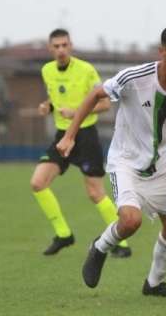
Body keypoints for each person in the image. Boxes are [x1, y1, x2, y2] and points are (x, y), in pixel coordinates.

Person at [56, 25, 166, 297]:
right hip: (125, 161)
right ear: (162, 52)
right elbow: (94, 94)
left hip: (160, 164)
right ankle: (100, 247)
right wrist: (70, 135)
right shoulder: (134, 77)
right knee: (130, 221)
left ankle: (153, 284)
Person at [30, 29, 131, 257]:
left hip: (85, 136)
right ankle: (63, 234)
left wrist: (76, 112)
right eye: (56, 46)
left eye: (64, 45)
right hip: (61, 136)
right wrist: (48, 107)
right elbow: (55, 98)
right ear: (50, 49)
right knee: (38, 183)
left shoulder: (86, 70)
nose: (61, 50)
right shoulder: (46, 70)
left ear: (71, 45)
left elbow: (105, 105)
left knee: (95, 193)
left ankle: (121, 244)